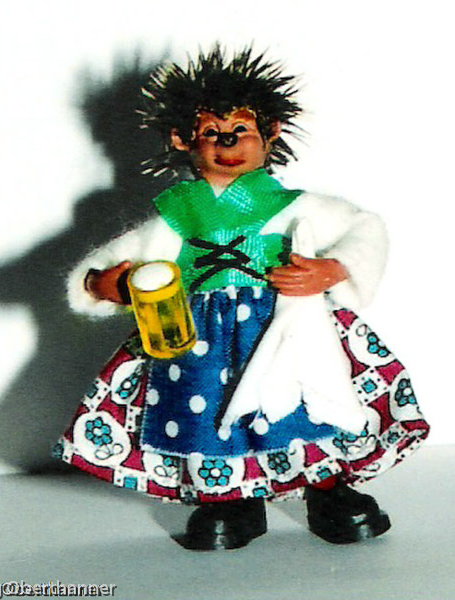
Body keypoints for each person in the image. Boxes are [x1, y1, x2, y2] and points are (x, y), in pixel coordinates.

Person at [55, 46, 429, 549]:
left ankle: (326, 488)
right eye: (211, 131)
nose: (227, 142)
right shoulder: (176, 214)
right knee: (205, 410)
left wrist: (333, 268)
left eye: (241, 130)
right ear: (182, 139)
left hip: (285, 321)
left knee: (304, 400)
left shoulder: (294, 207)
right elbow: (111, 265)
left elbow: (365, 229)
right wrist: (104, 283)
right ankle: (229, 497)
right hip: (195, 335)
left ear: (270, 133)